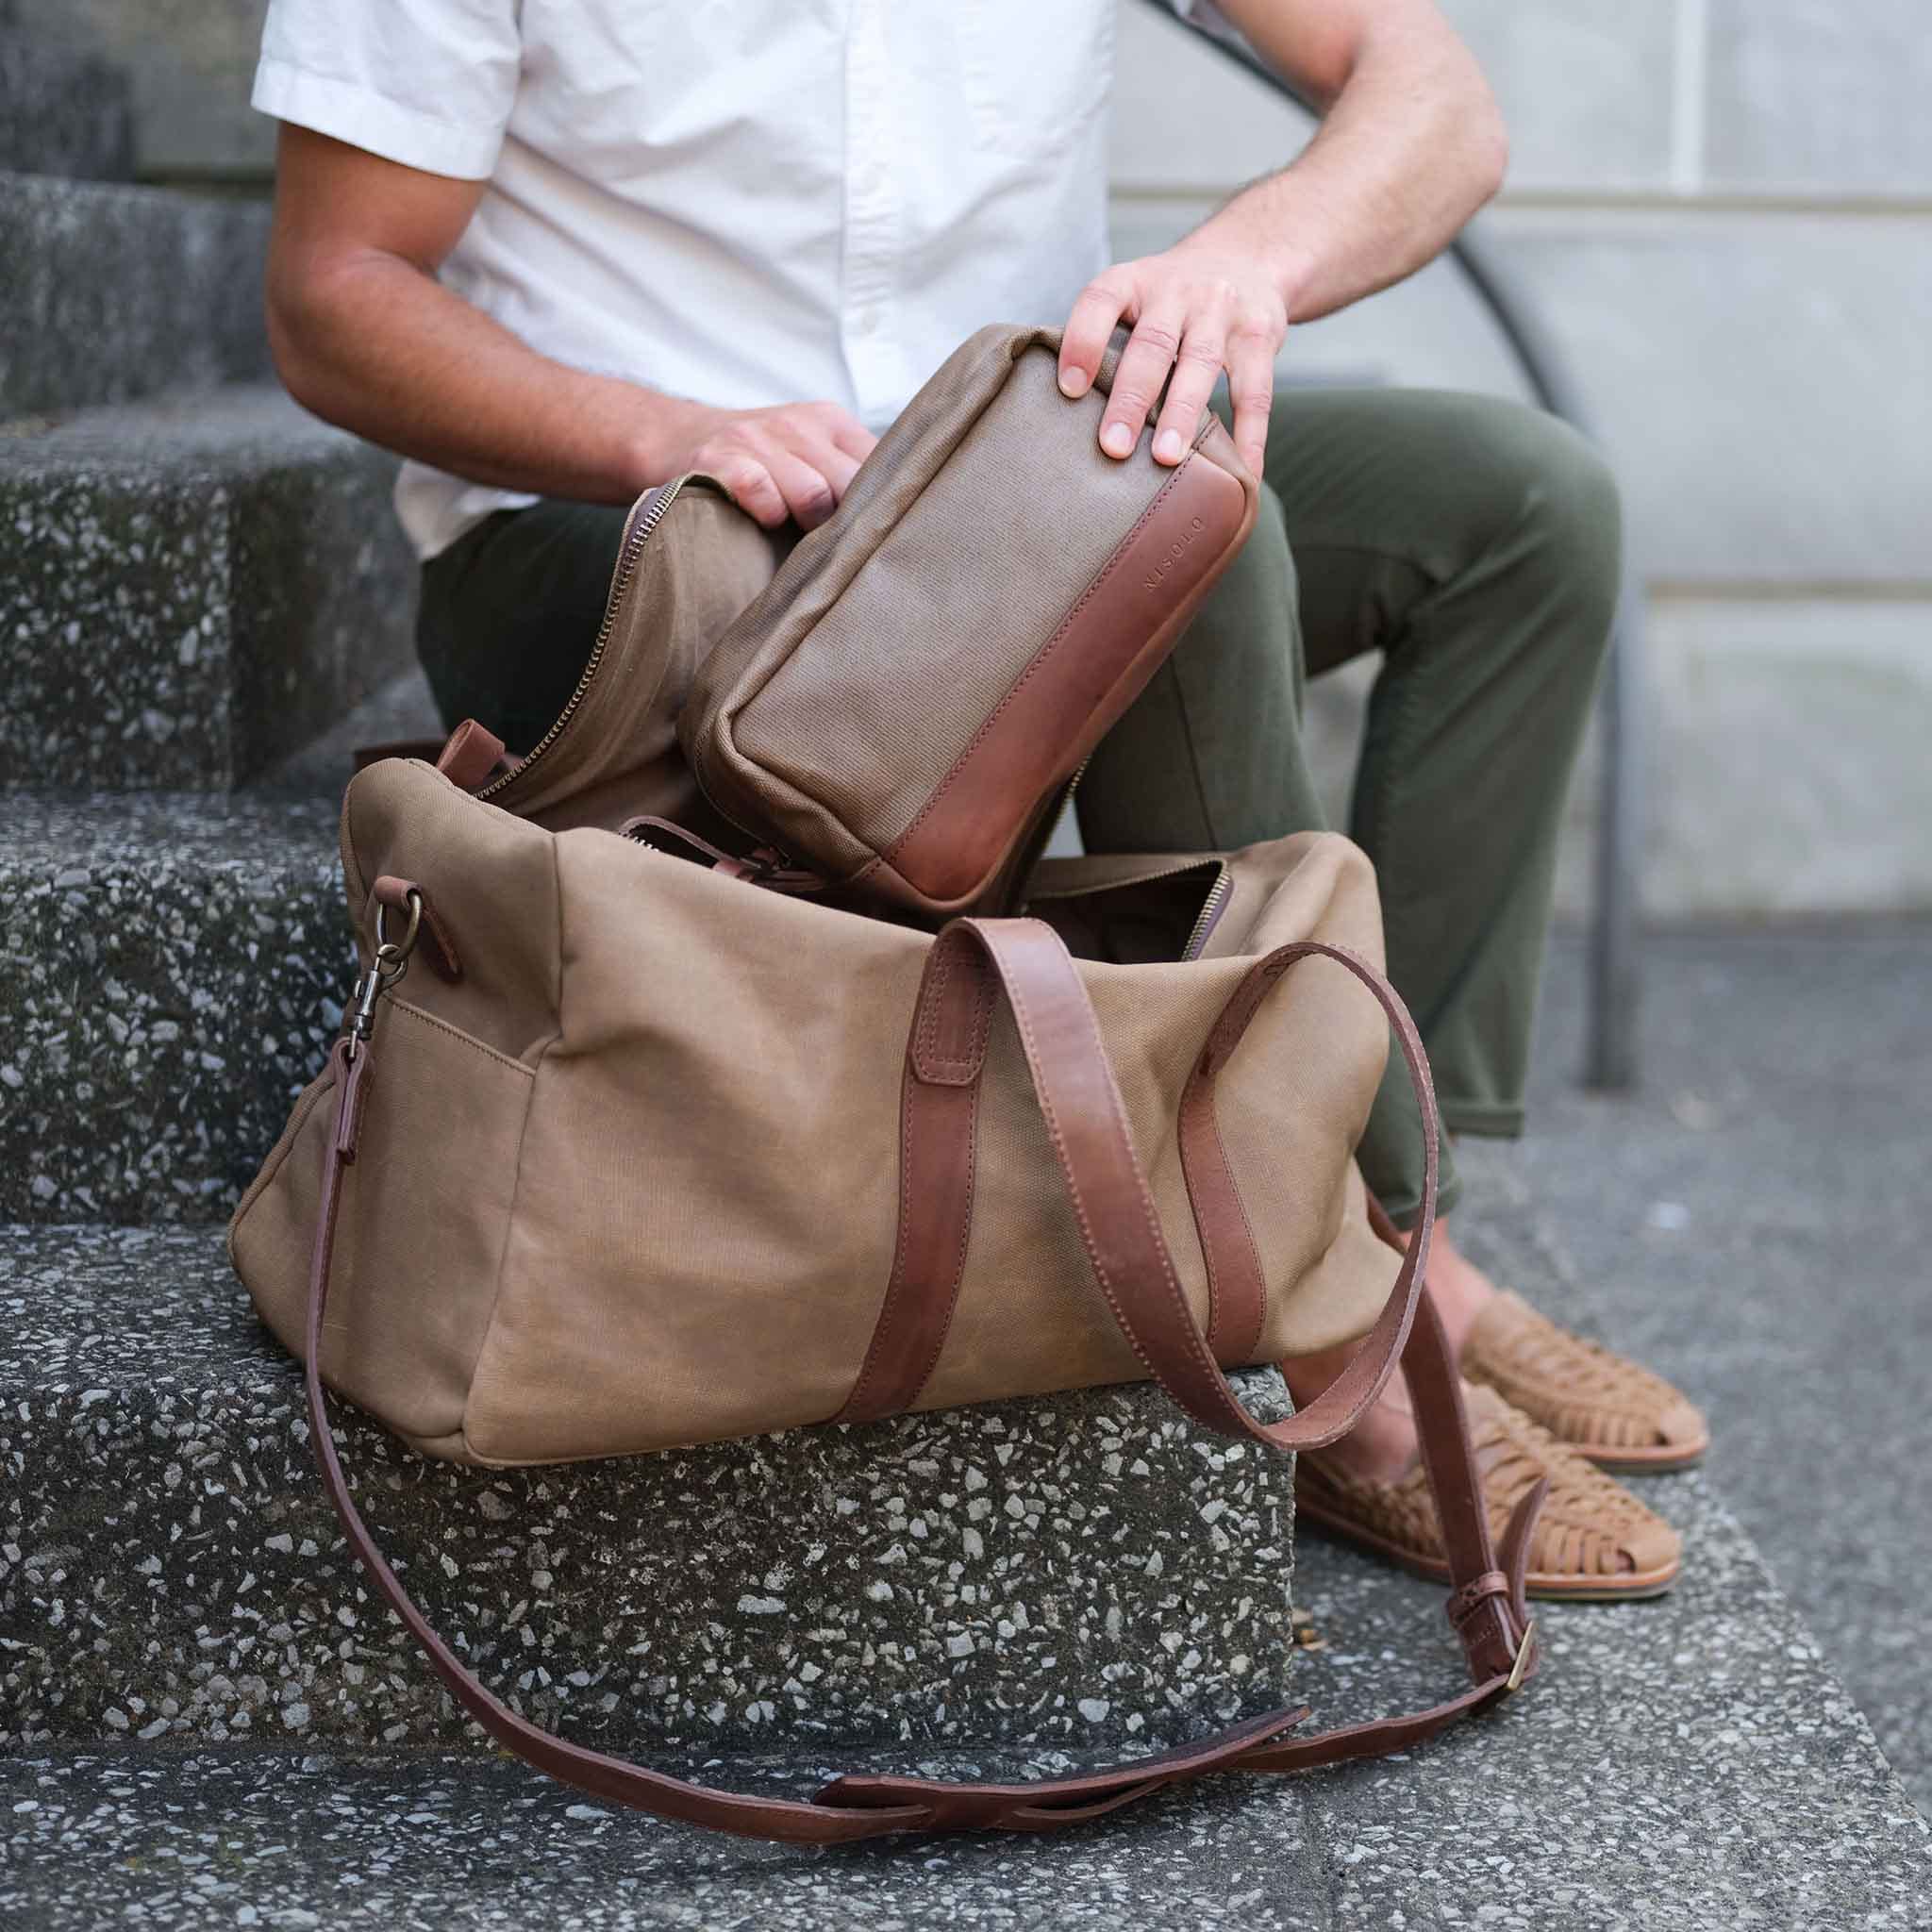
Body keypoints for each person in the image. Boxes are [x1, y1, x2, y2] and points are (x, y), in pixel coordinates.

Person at [253, 0, 1706, 1599]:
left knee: (1522, 509)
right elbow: (336, 295)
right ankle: (1352, 1317)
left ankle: (1385, 1216)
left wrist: (1245, 262)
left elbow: (1432, 94)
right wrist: (667, 429)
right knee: (1192, 565)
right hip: (638, 530)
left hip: (1004, 490)